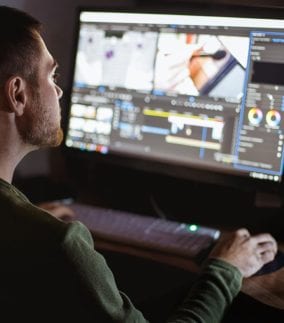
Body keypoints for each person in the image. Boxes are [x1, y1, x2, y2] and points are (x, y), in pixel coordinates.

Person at [0, 5, 277, 322]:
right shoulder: (58, 243)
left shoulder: (27, 230)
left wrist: (28, 218)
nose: (60, 90)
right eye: (52, 75)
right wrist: (225, 270)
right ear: (17, 95)